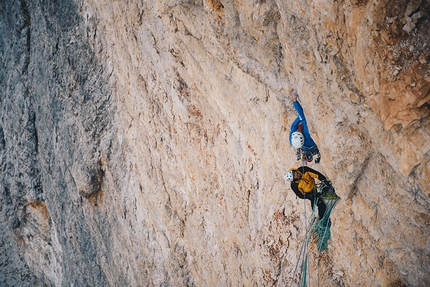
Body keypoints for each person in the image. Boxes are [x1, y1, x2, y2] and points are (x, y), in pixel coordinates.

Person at [289, 90, 321, 163]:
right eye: (299, 131)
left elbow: (293, 126)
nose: (298, 130)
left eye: (297, 131)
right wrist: (295, 101)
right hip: (310, 143)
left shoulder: (292, 138)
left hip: (305, 145)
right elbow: (303, 119)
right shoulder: (307, 136)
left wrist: (298, 118)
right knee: (303, 119)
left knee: (300, 120)